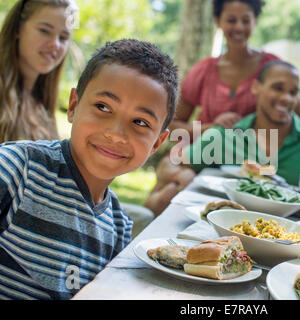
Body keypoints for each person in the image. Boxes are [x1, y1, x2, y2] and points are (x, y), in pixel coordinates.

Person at [0, 39, 178, 300]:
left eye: (140, 122)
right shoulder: (17, 169)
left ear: (156, 144)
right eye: (103, 107)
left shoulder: (118, 226)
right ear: (73, 106)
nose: (116, 134)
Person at [181, 60, 300, 186]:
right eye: (278, 88)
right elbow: (174, 164)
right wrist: (182, 176)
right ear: (256, 87)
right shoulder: (224, 135)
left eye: (293, 92)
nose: (287, 98)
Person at [170, 0, 300, 141]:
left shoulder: (274, 68)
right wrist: (211, 128)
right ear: (218, 21)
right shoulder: (203, 70)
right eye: (231, 20)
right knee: (168, 163)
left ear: (255, 21)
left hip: (256, 157)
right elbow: (171, 127)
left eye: (246, 21)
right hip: (205, 153)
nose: (239, 27)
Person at [0, 0, 77, 143]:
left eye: (63, 37)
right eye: (45, 31)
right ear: (18, 29)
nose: (55, 44)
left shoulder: (42, 105)